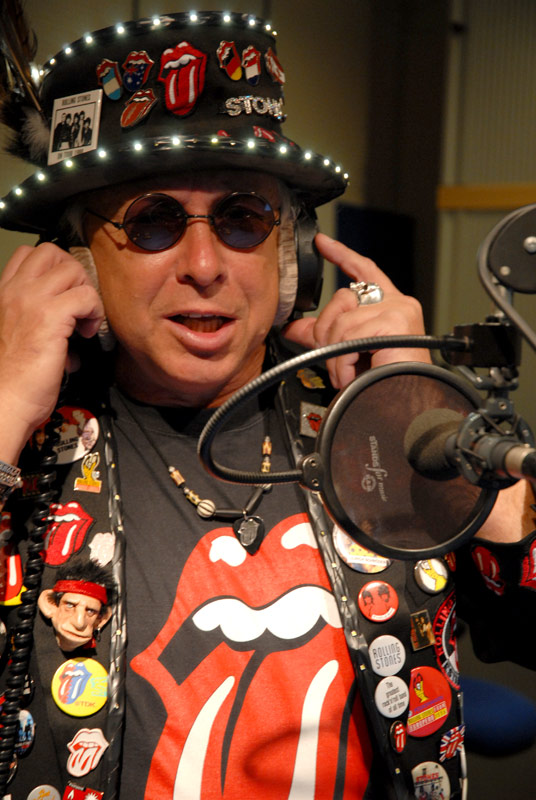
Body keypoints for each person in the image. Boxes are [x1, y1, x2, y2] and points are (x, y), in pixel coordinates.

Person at [0, 8, 534, 800]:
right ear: (75, 261)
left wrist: (424, 408)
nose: (205, 265)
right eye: (153, 223)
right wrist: (7, 400)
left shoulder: (375, 420)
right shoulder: (27, 441)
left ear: (290, 258)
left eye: (243, 219)